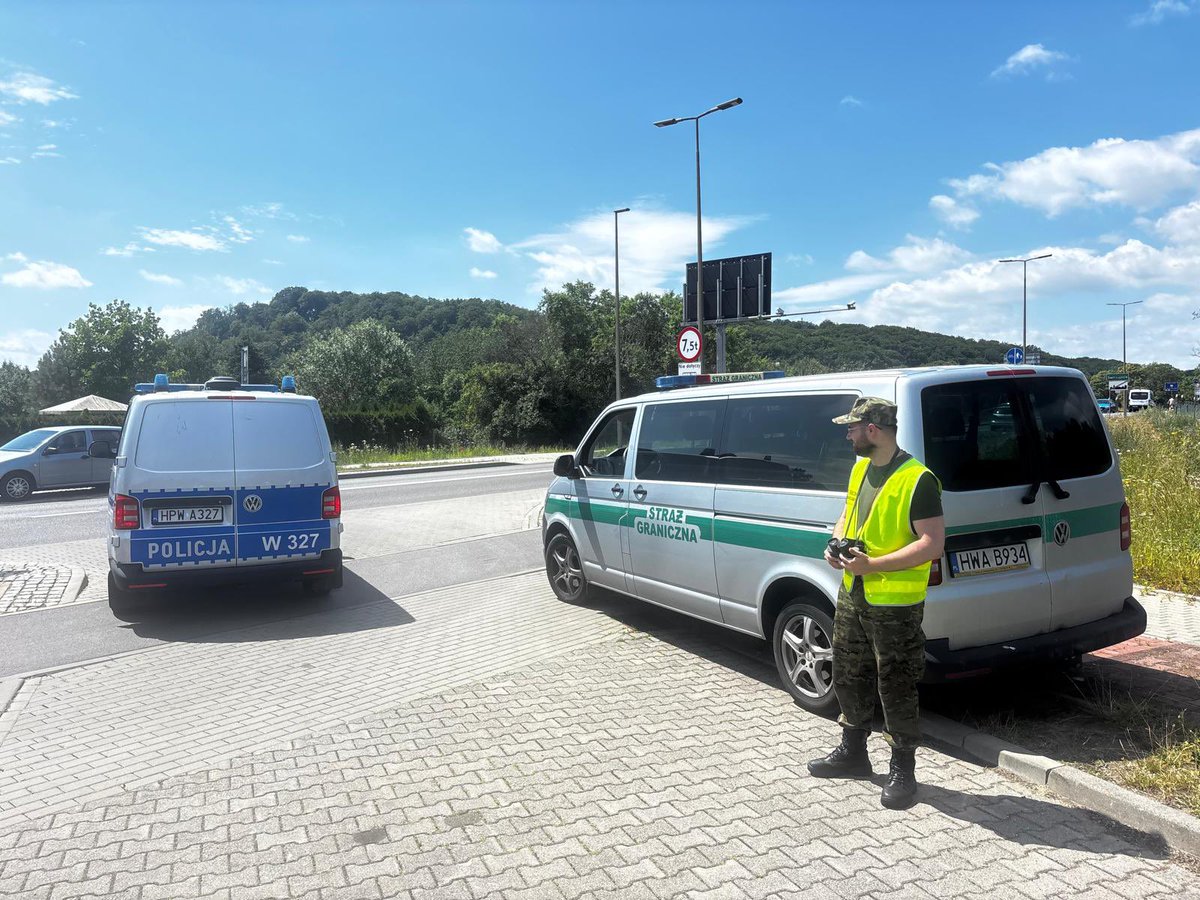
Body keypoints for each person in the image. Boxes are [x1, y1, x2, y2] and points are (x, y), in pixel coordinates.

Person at [807, 397, 946, 810]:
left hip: (895, 603)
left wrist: (874, 565)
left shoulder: (918, 479)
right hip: (854, 592)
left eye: (851, 427)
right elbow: (847, 516)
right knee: (849, 672)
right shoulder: (860, 468)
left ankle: (903, 769)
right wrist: (835, 545)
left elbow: (932, 544)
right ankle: (853, 752)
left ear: (873, 429)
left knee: (896, 684)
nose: (846, 434)